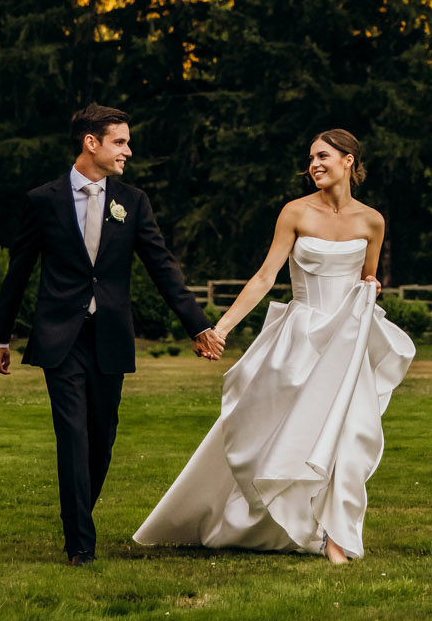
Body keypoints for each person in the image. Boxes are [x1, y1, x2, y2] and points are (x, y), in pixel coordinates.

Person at [135, 128, 414, 563]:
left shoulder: (372, 220)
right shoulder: (295, 212)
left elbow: (368, 279)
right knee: (276, 431)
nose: (314, 165)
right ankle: (261, 518)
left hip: (345, 344)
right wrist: (221, 328)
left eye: (323, 156)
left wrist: (372, 287)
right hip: (300, 340)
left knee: (349, 433)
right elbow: (265, 277)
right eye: (311, 158)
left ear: (348, 161)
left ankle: (336, 536)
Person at [0, 104, 223, 564]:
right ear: (91, 143)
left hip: (110, 335)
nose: (128, 151)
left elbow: (161, 265)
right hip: (60, 336)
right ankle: (79, 544)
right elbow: (18, 272)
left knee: (102, 439)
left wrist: (197, 324)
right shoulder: (43, 200)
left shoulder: (132, 201)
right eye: (120, 141)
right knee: (72, 435)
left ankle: (79, 518)